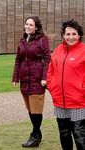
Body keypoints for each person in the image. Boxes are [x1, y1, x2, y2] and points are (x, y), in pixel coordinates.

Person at [12, 16, 51, 148]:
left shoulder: (43, 40)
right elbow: (18, 60)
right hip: (25, 80)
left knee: (36, 110)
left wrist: (45, 77)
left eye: (31, 25)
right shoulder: (22, 40)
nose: (28, 27)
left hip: (37, 80)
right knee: (30, 109)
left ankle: (35, 135)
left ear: (37, 27)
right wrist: (15, 78)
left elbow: (47, 59)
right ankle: (37, 133)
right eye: (26, 24)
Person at [47, 19, 85, 150]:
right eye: (68, 34)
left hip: (78, 102)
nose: (71, 37)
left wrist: (82, 90)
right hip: (59, 101)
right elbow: (50, 71)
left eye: (74, 34)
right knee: (64, 133)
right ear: (63, 35)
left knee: (79, 135)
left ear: (79, 35)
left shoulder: (83, 51)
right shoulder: (58, 50)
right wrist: (52, 87)